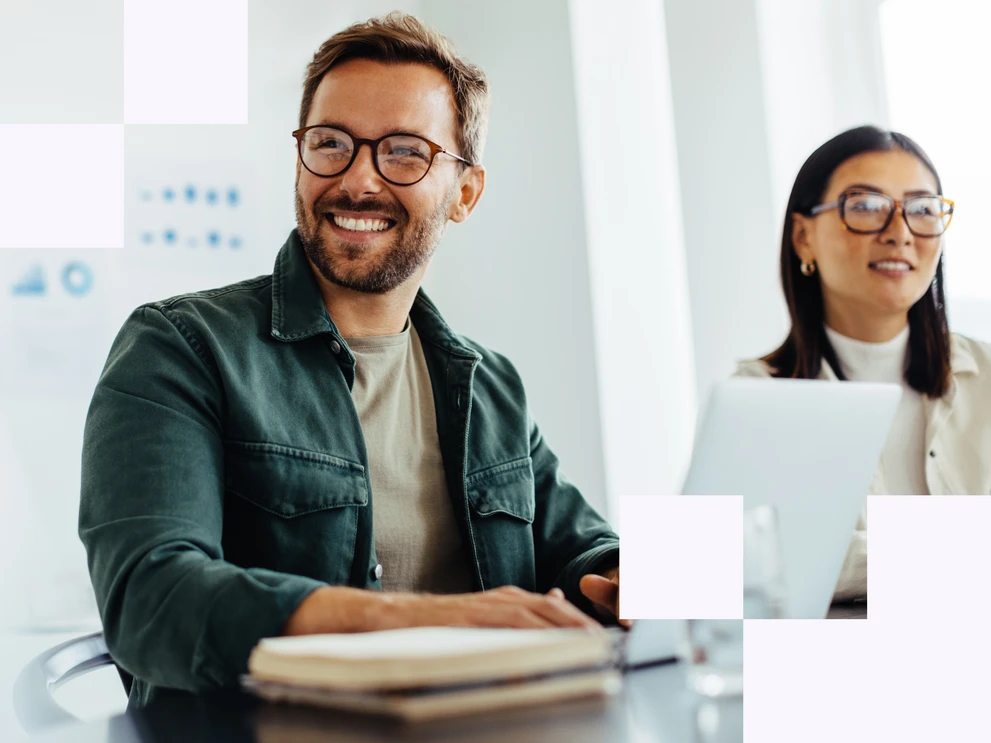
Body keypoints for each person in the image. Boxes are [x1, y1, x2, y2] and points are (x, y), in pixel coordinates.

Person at [79, 12, 621, 708]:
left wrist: (645, 574)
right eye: (330, 143)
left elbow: (582, 548)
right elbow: (153, 600)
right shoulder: (178, 347)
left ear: (464, 192)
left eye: (403, 152)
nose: (357, 180)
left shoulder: (490, 386)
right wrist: (423, 619)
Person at [737, 125, 991, 600]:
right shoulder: (754, 399)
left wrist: (840, 558)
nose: (899, 233)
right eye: (867, 206)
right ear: (803, 236)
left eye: (922, 209)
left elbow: (799, 559)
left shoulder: (987, 375)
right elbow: (741, 565)